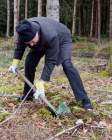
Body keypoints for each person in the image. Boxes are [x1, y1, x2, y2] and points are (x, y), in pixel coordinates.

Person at [9, 17, 92, 110]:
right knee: (29, 63)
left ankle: (84, 100)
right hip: (41, 41)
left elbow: (50, 61)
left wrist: (41, 82)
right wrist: (15, 63)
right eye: (28, 43)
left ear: (36, 32)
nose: (31, 45)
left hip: (61, 39)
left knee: (67, 65)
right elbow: (20, 47)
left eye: (32, 41)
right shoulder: (23, 31)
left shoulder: (50, 35)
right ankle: (28, 94)